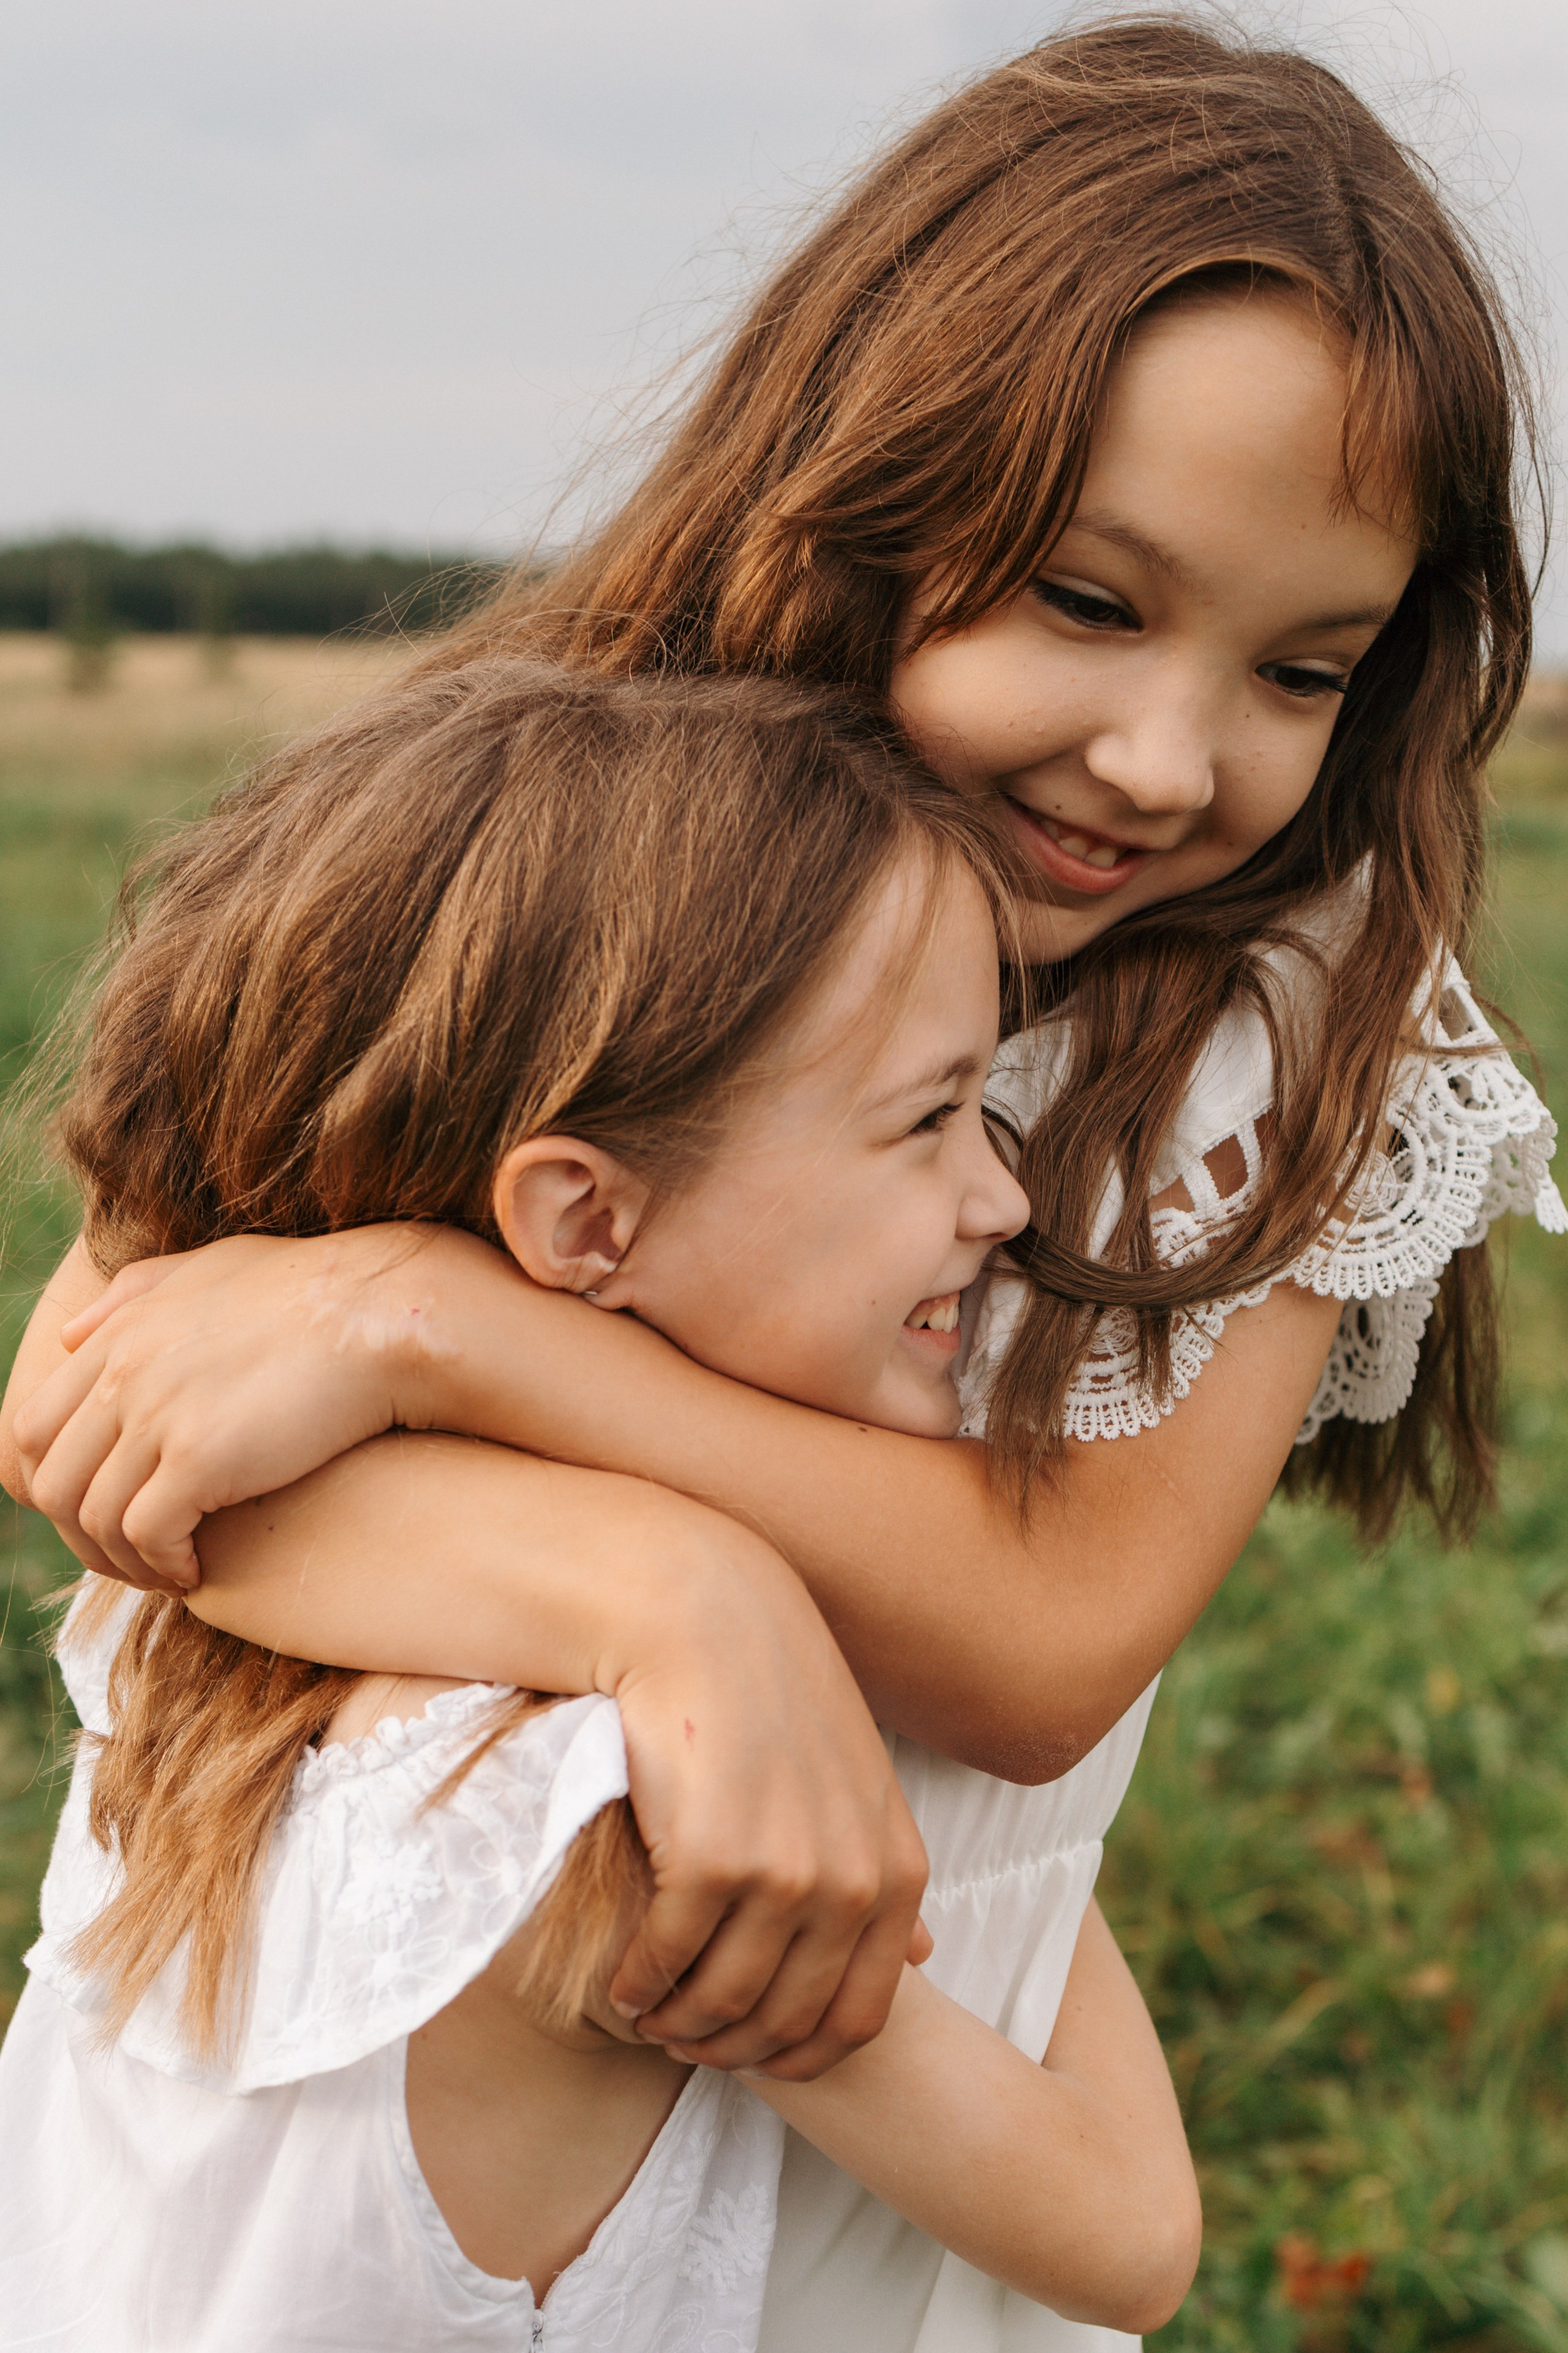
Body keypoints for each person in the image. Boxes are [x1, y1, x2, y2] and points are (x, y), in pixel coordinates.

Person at [6, 17, 1564, 2352]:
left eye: (1307, 665)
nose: (1165, 759)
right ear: (870, 483)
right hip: (384, 2125)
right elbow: (111, 1422)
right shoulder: (570, 842)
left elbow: (1038, 1650)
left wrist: (426, 1327)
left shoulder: (1301, 1001)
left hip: (909, 2144)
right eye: (1090, 600)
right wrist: (671, 1594)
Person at [0, 665, 1200, 2351]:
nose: (1000, 1197)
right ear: (585, 1224)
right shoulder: (614, 1824)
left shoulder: (192, 1589)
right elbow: (1126, 2232)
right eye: (929, 1117)